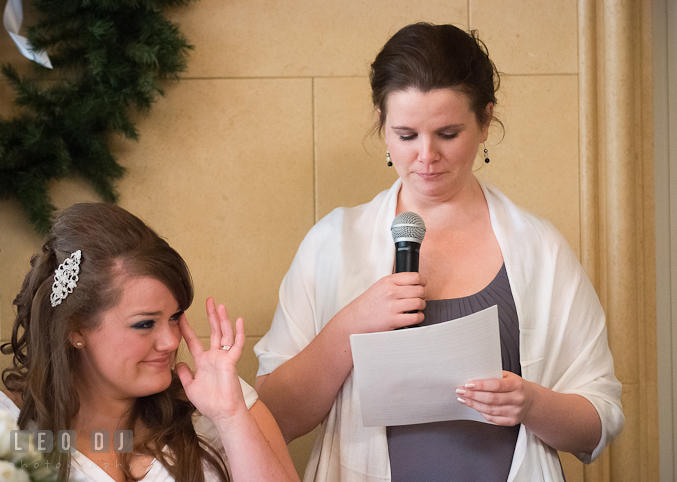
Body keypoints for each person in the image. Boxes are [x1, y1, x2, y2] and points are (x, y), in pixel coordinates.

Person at [253, 22, 624, 482]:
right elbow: (270, 419)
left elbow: (600, 421)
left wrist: (531, 403)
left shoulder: (540, 249)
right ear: (382, 126)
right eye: (406, 135)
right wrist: (349, 326)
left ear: (486, 120)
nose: (426, 156)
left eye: (447, 133)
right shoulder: (332, 243)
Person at [1, 202, 300, 482]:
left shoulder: (224, 404)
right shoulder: (11, 429)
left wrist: (230, 417)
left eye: (174, 318)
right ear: (76, 328)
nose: (171, 341)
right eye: (145, 324)